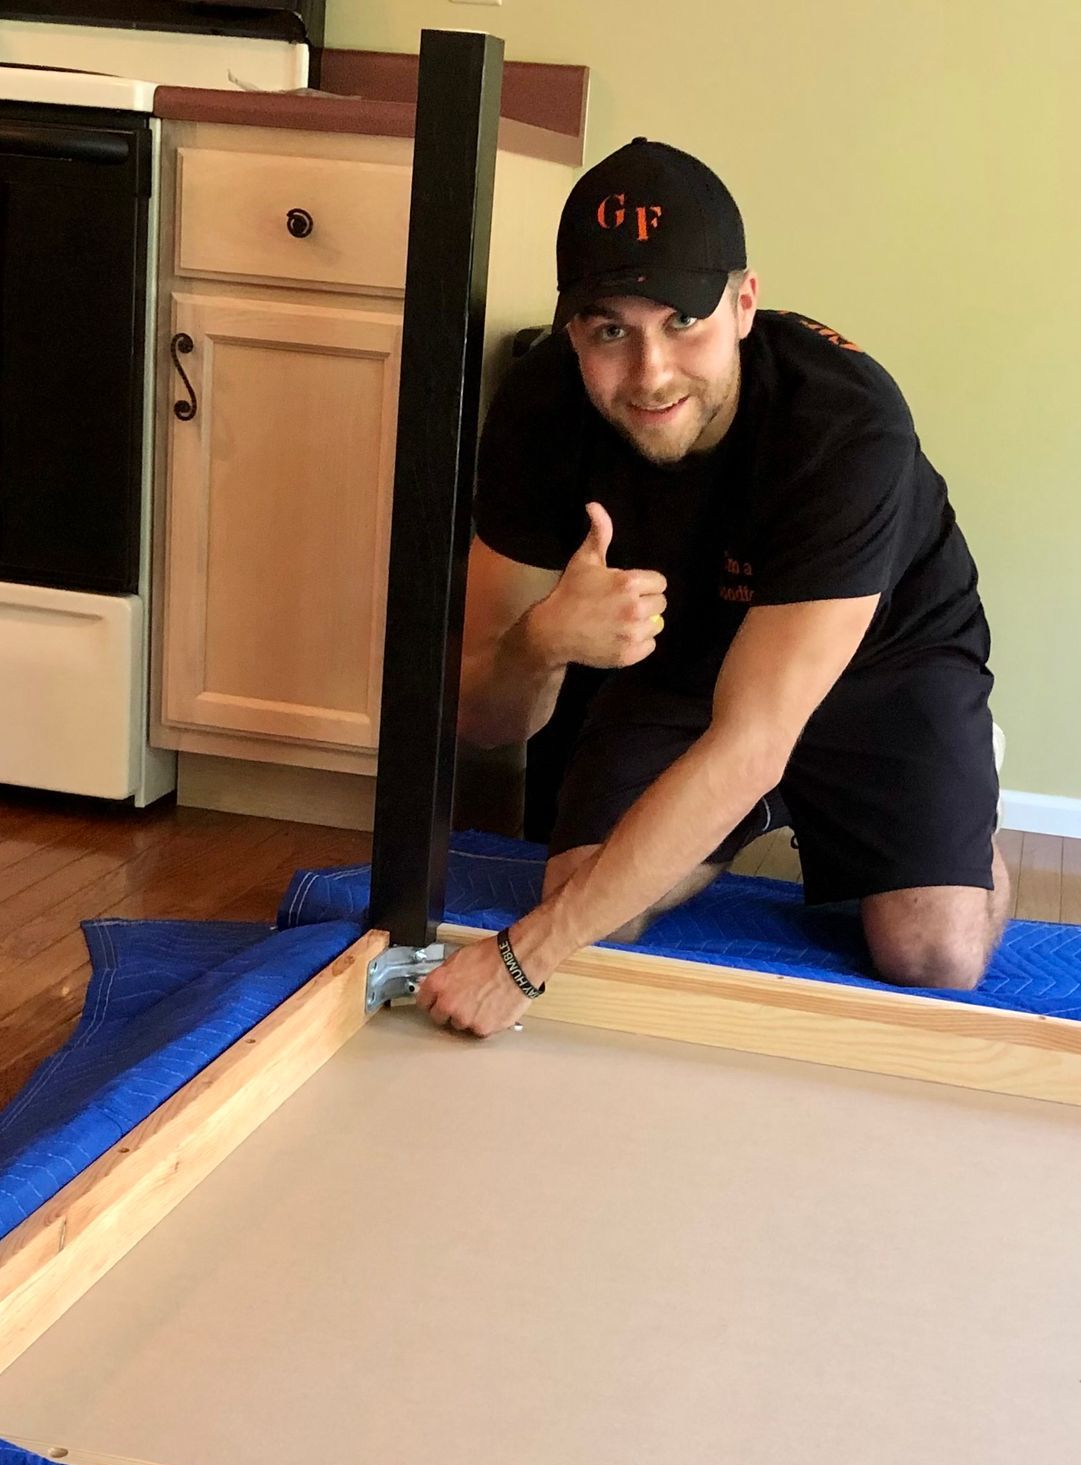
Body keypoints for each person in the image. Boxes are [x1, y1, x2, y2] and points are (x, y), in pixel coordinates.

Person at [418, 138, 1009, 1037]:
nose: (649, 373)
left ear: (743, 305)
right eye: (610, 330)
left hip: (885, 660)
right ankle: (748, 813)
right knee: (591, 903)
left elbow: (755, 736)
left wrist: (521, 959)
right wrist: (541, 641)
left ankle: (968, 833)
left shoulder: (846, 422)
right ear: (572, 329)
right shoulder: (539, 410)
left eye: (680, 322)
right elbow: (485, 722)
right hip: (690, 659)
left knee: (931, 953)